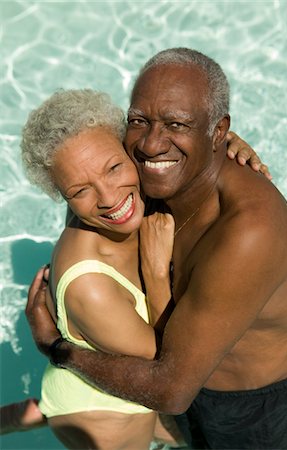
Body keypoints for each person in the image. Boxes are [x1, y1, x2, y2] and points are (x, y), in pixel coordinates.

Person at [25, 47, 287, 450]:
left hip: (255, 406)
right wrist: (194, 136)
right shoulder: (137, 176)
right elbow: (83, 160)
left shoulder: (246, 231)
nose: (152, 145)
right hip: (185, 387)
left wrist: (59, 349)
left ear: (218, 131)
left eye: (177, 124)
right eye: (139, 121)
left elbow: (171, 390)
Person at [21, 88, 184, 450]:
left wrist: (230, 143)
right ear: (63, 196)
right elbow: (170, 365)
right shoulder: (89, 286)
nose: (109, 199)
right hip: (102, 417)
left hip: (84, 383)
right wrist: (156, 272)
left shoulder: (130, 185)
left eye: (113, 168)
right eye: (80, 191)